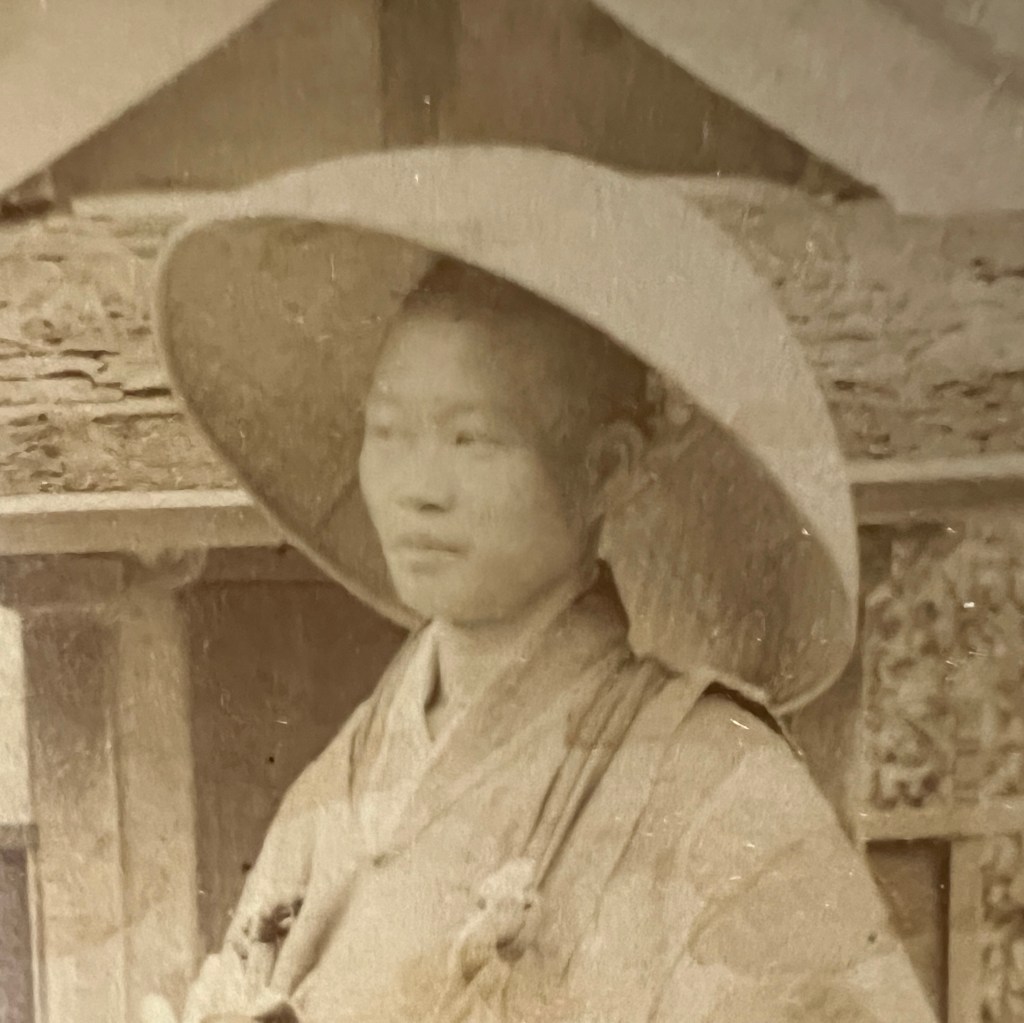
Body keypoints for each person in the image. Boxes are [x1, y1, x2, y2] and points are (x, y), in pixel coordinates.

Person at [147, 147, 938, 1023]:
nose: (417, 487)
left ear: (609, 468)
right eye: (389, 430)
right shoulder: (334, 788)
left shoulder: (719, 780)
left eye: (471, 439)